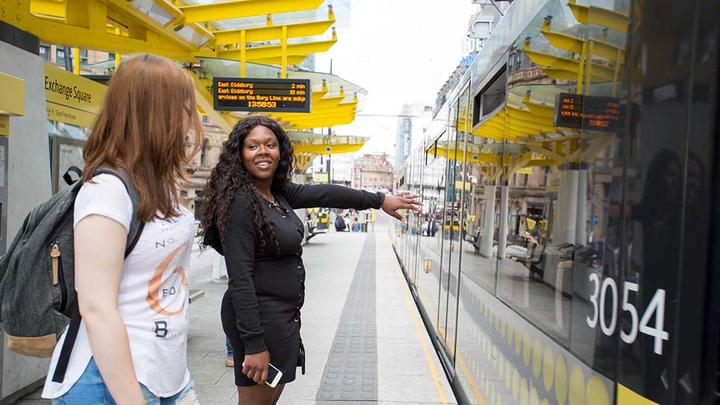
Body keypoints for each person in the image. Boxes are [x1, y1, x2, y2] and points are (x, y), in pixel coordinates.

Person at [199, 116, 419, 405]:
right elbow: (240, 279)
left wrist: (379, 200)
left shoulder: (276, 193)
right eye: (252, 146)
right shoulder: (241, 203)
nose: (263, 151)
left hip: (282, 319)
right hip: (260, 323)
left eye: (270, 144)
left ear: (281, 151)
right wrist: (254, 345)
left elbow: (327, 192)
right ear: (239, 154)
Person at [41, 54, 203, 404]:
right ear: (153, 112)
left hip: (165, 377)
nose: (191, 120)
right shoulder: (108, 190)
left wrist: (182, 383)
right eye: (184, 107)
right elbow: (97, 307)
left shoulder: (159, 184)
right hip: (109, 383)